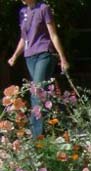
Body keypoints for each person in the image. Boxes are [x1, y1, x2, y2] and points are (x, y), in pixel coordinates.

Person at [7, 0, 69, 138]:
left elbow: (53, 34)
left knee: (36, 91)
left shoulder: (44, 8)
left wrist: (62, 57)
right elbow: (24, 38)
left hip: (44, 53)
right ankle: (57, 126)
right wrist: (14, 56)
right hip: (30, 56)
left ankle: (37, 136)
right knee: (43, 93)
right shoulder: (23, 12)